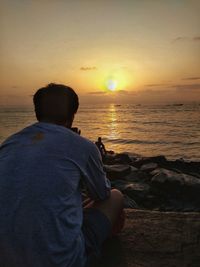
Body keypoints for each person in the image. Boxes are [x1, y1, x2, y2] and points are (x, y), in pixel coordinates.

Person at [0, 83, 124, 267]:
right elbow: (101, 194)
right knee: (115, 196)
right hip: (62, 261)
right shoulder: (83, 146)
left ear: (37, 113)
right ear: (73, 115)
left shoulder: (8, 145)